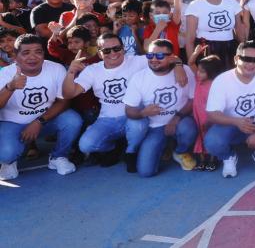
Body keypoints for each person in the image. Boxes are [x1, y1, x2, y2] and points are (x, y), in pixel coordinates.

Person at [0, 34, 83, 179]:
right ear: (15, 56)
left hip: (45, 121)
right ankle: (10, 162)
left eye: (38, 52)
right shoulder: (5, 74)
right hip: (13, 123)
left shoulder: (56, 69)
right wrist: (10, 87)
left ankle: (58, 156)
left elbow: (64, 101)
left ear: (43, 53)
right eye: (26, 53)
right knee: (6, 154)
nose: (33, 57)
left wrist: (39, 121)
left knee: (72, 120)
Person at [63, 33, 149, 166]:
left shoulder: (138, 61)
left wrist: (178, 66)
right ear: (99, 53)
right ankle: (115, 147)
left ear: (123, 48)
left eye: (117, 48)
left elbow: (168, 57)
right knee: (86, 145)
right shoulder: (92, 70)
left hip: (133, 115)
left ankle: (131, 151)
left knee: (137, 125)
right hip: (107, 119)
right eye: (106, 50)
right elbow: (69, 94)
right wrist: (71, 72)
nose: (113, 53)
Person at [204, 41, 255, 178]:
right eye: (246, 59)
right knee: (212, 141)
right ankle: (228, 157)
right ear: (236, 59)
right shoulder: (221, 80)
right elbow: (212, 114)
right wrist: (237, 122)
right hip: (231, 124)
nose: (251, 64)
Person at [123, 39, 197, 177]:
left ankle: (180, 151)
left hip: (180, 122)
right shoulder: (139, 78)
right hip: (155, 128)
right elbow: (129, 110)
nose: (154, 59)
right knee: (146, 172)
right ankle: (165, 146)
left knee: (188, 128)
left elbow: (193, 100)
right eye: (150, 55)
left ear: (172, 57)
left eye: (160, 56)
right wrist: (143, 112)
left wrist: (176, 118)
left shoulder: (185, 71)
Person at [185, 0, 244, 70]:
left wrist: (244, 49)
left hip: (230, 49)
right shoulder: (195, 5)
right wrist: (192, 65)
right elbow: (190, 39)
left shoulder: (231, 2)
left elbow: (239, 29)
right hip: (206, 51)